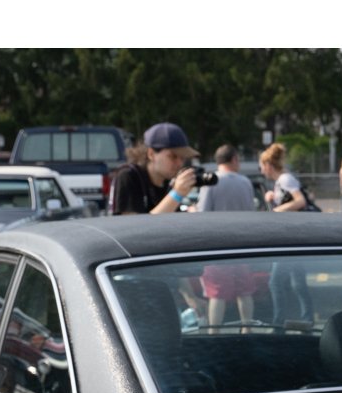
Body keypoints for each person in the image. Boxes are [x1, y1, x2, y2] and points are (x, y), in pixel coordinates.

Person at [196, 145, 260, 328]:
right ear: (234, 159)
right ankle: (247, 329)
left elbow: (202, 214)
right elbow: (251, 212)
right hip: (241, 244)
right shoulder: (245, 182)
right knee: (244, 292)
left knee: (217, 294)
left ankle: (214, 332)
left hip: (216, 245)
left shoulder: (210, 182)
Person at [260, 143, 313, 323]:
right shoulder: (282, 181)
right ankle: (307, 319)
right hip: (294, 236)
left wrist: (276, 210)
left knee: (275, 283)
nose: (262, 171)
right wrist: (272, 198)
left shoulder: (285, 179)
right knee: (298, 282)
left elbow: (300, 201)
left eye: (262, 166)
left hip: (291, 238)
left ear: (268, 165)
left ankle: (279, 322)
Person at [112, 122, 200, 215]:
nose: (179, 163)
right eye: (173, 156)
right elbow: (133, 223)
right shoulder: (129, 176)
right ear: (151, 154)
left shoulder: (168, 183)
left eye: (182, 157)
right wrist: (177, 194)